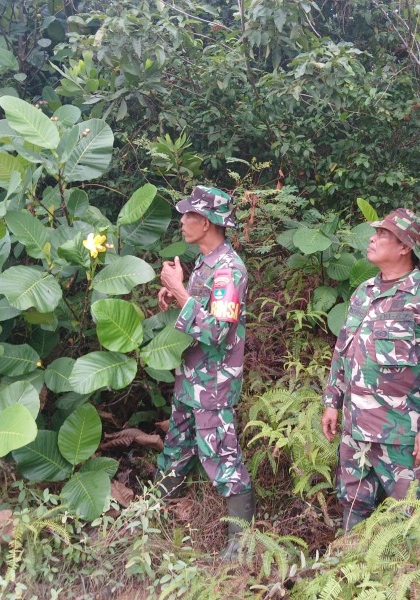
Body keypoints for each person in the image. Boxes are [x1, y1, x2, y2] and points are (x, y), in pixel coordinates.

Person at [321, 207, 420, 532]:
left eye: (383, 234)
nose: (373, 239)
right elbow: (343, 350)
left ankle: (414, 581)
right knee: (353, 508)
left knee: (413, 519)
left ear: (404, 246)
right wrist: (332, 401)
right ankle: (353, 573)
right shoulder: (363, 293)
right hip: (354, 431)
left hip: (402, 436)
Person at [155, 185, 254, 560]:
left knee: (221, 454)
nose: (183, 221)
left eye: (191, 215)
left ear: (210, 222)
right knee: (177, 445)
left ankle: (240, 543)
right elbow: (197, 313)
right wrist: (175, 294)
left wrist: (180, 292)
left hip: (213, 382)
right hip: (190, 378)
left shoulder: (230, 270)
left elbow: (218, 331)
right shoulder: (206, 263)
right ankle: (153, 516)